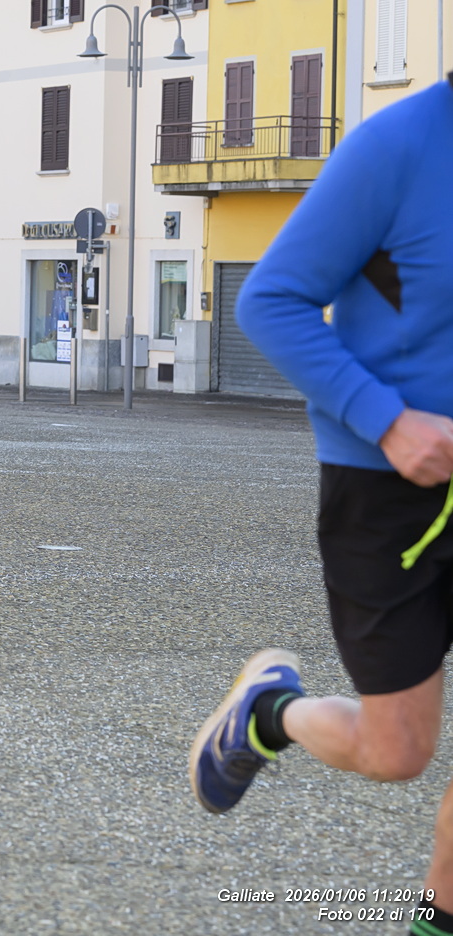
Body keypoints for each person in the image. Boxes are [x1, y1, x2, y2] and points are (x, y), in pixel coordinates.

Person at [189, 79, 453, 933]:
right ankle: (270, 712)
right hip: (388, 487)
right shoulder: (399, 145)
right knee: (397, 751)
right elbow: (269, 301)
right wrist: (389, 422)